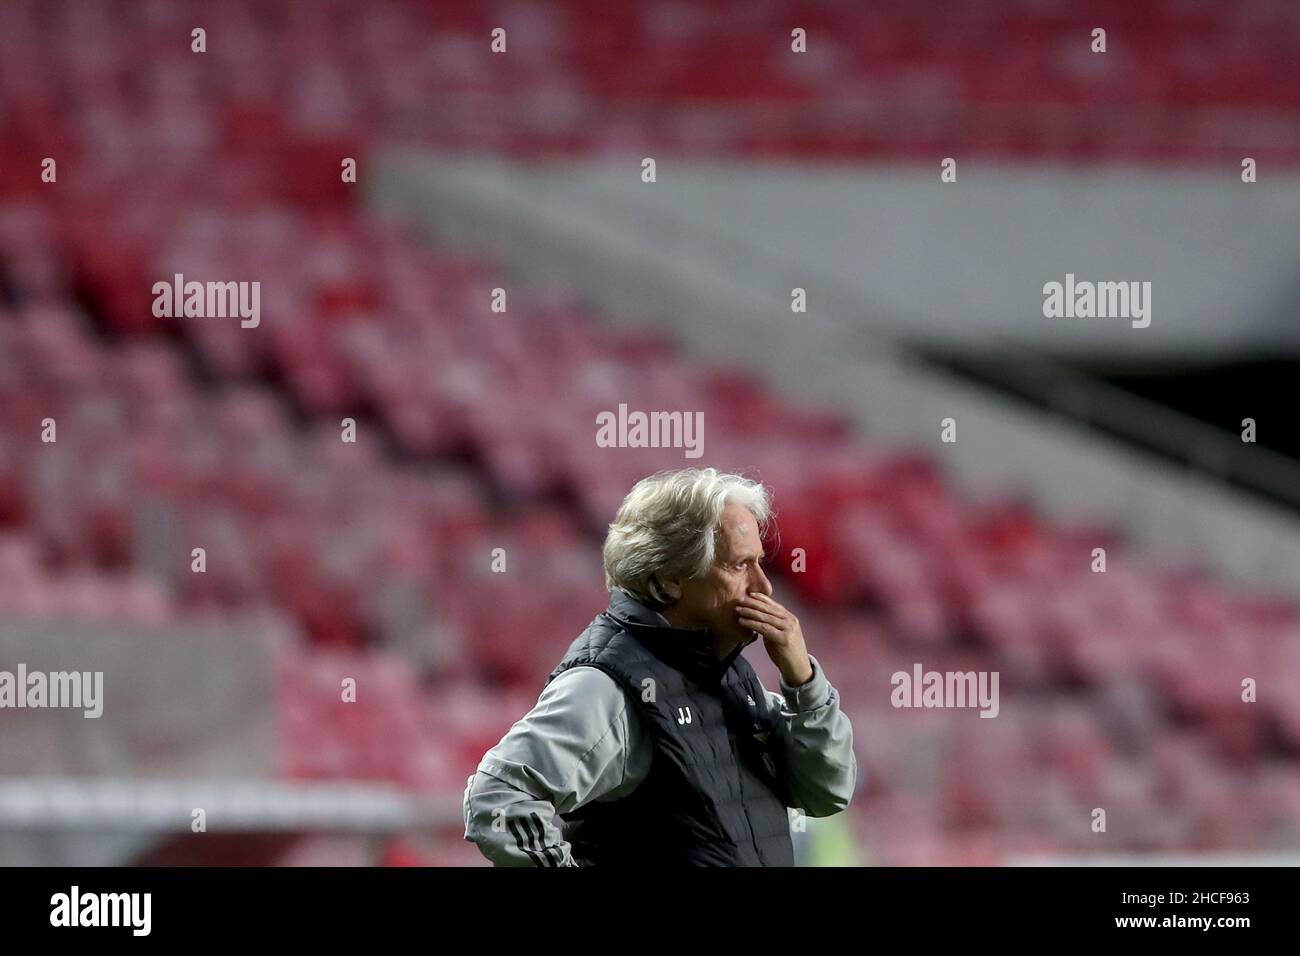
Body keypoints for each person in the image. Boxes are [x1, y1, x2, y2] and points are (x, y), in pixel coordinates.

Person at [463, 467, 857, 866]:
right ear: (670, 579)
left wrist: (803, 683)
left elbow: (824, 793)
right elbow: (497, 798)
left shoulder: (730, 676)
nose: (763, 587)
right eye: (740, 566)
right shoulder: (607, 685)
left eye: (759, 563)